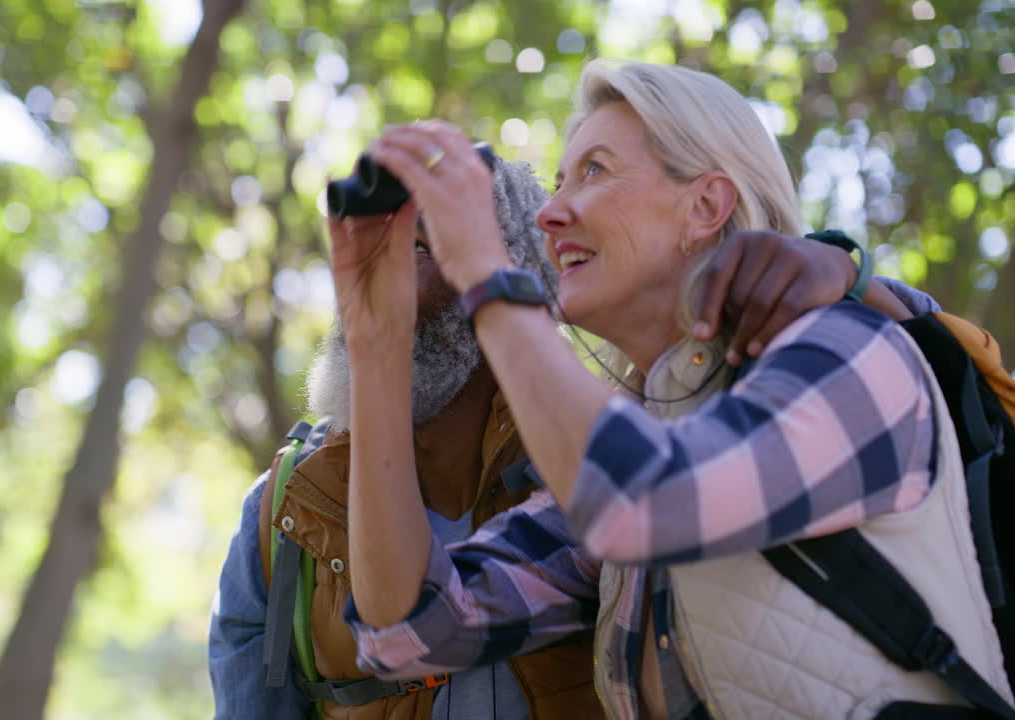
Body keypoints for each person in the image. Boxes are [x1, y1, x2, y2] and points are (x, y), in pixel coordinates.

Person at [335, 60, 1014, 720]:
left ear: (706, 206)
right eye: (557, 180)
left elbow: (642, 502)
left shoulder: (845, 352)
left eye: (593, 171)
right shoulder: (640, 436)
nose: (548, 214)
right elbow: (409, 632)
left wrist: (484, 268)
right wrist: (377, 341)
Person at [208, 144, 937, 717]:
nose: (385, 268)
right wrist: (375, 343)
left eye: (427, 247)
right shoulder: (287, 514)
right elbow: (410, 631)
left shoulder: (597, 456)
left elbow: (941, 370)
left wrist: (852, 270)